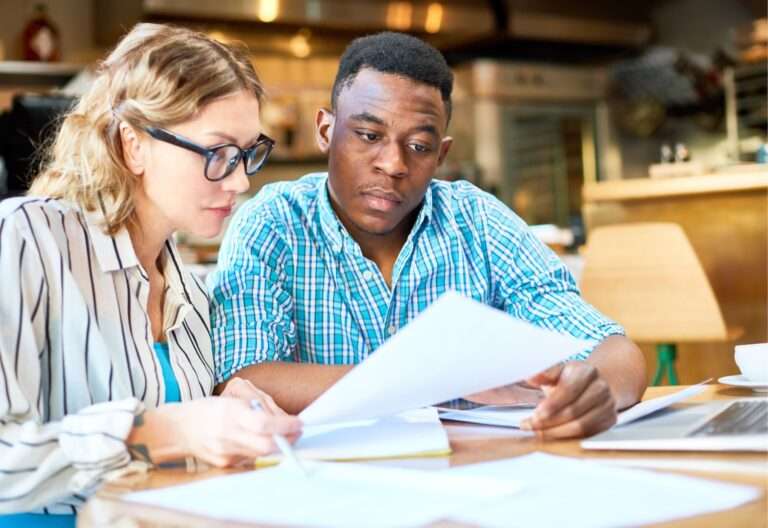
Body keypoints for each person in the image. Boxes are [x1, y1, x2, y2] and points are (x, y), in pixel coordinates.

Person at [209, 32, 646, 439]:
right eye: (368, 135)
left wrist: (595, 389)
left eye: (418, 146)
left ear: (442, 154)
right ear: (326, 131)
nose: (394, 164)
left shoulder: (477, 221)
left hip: (473, 481)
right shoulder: (272, 222)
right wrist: (435, 379)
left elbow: (616, 353)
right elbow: (247, 376)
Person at [0, 23, 300, 525]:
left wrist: (225, 407)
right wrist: (156, 432)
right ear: (133, 144)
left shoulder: (186, 282)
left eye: (248, 153)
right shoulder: (26, 240)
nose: (242, 180)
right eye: (217, 153)